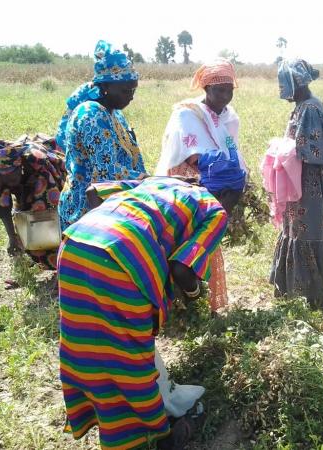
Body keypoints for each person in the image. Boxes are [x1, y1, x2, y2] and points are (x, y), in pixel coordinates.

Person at [57, 149, 246, 449]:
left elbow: (95, 193)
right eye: (236, 198)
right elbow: (182, 268)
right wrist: (194, 296)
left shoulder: (159, 183)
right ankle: (162, 436)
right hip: (122, 262)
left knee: (87, 342)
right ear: (226, 191)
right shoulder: (214, 209)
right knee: (131, 354)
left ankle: (97, 413)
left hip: (76, 244)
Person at [155, 59, 245, 312]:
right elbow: (192, 155)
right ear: (206, 89)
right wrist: (222, 174)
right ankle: (176, 302)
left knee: (206, 241)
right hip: (188, 187)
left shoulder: (229, 117)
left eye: (229, 90)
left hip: (215, 188)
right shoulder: (186, 114)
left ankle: (199, 301)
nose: (225, 96)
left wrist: (233, 178)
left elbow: (232, 152)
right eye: (219, 90)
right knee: (180, 242)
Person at [270, 58, 323, 308]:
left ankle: (310, 294)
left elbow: (311, 152)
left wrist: (282, 152)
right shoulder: (302, 105)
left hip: (312, 183)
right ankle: (295, 289)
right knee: (298, 229)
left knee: (308, 230)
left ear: (296, 82)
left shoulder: (310, 108)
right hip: (301, 181)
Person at [56, 40, 147, 231]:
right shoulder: (90, 114)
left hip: (112, 204)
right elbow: (107, 173)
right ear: (105, 86)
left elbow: (131, 159)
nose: (131, 96)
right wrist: (152, 180)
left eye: (133, 90)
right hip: (86, 212)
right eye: (125, 90)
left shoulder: (115, 113)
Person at [0, 134, 65, 269]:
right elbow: (4, 209)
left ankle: (58, 257)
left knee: (43, 218)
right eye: (6, 179)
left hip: (44, 177)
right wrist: (12, 238)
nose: (10, 181)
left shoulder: (38, 167)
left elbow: (49, 210)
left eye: (13, 177)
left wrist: (42, 233)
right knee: (24, 221)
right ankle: (34, 254)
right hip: (24, 179)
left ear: (20, 168)